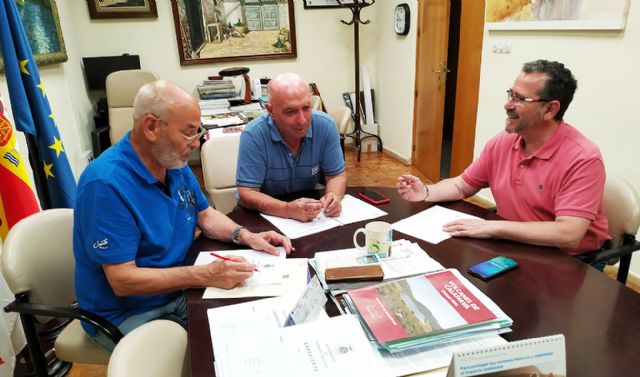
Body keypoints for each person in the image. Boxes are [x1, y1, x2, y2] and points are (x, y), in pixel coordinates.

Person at [73, 81, 293, 351]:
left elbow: (205, 215)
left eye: (197, 130)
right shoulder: (105, 184)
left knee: (259, 330)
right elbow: (123, 280)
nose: (197, 141)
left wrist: (247, 236)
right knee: (213, 355)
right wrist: (204, 275)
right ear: (151, 127)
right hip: (129, 312)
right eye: (189, 132)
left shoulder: (171, 161)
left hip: (180, 289)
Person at [397, 60, 610, 267]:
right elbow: (462, 185)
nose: (507, 105)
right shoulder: (504, 141)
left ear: (550, 109)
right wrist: (425, 192)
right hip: (515, 244)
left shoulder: (583, 158)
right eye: (511, 94)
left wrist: (493, 228)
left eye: (520, 99)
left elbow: (569, 235)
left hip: (567, 260)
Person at [236, 73, 347, 222]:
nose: (301, 120)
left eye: (306, 108)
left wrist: (334, 196)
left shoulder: (325, 126)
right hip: (263, 215)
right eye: (290, 111)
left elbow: (336, 176)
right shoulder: (254, 135)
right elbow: (247, 193)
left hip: (309, 214)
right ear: (271, 111)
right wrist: (287, 210)